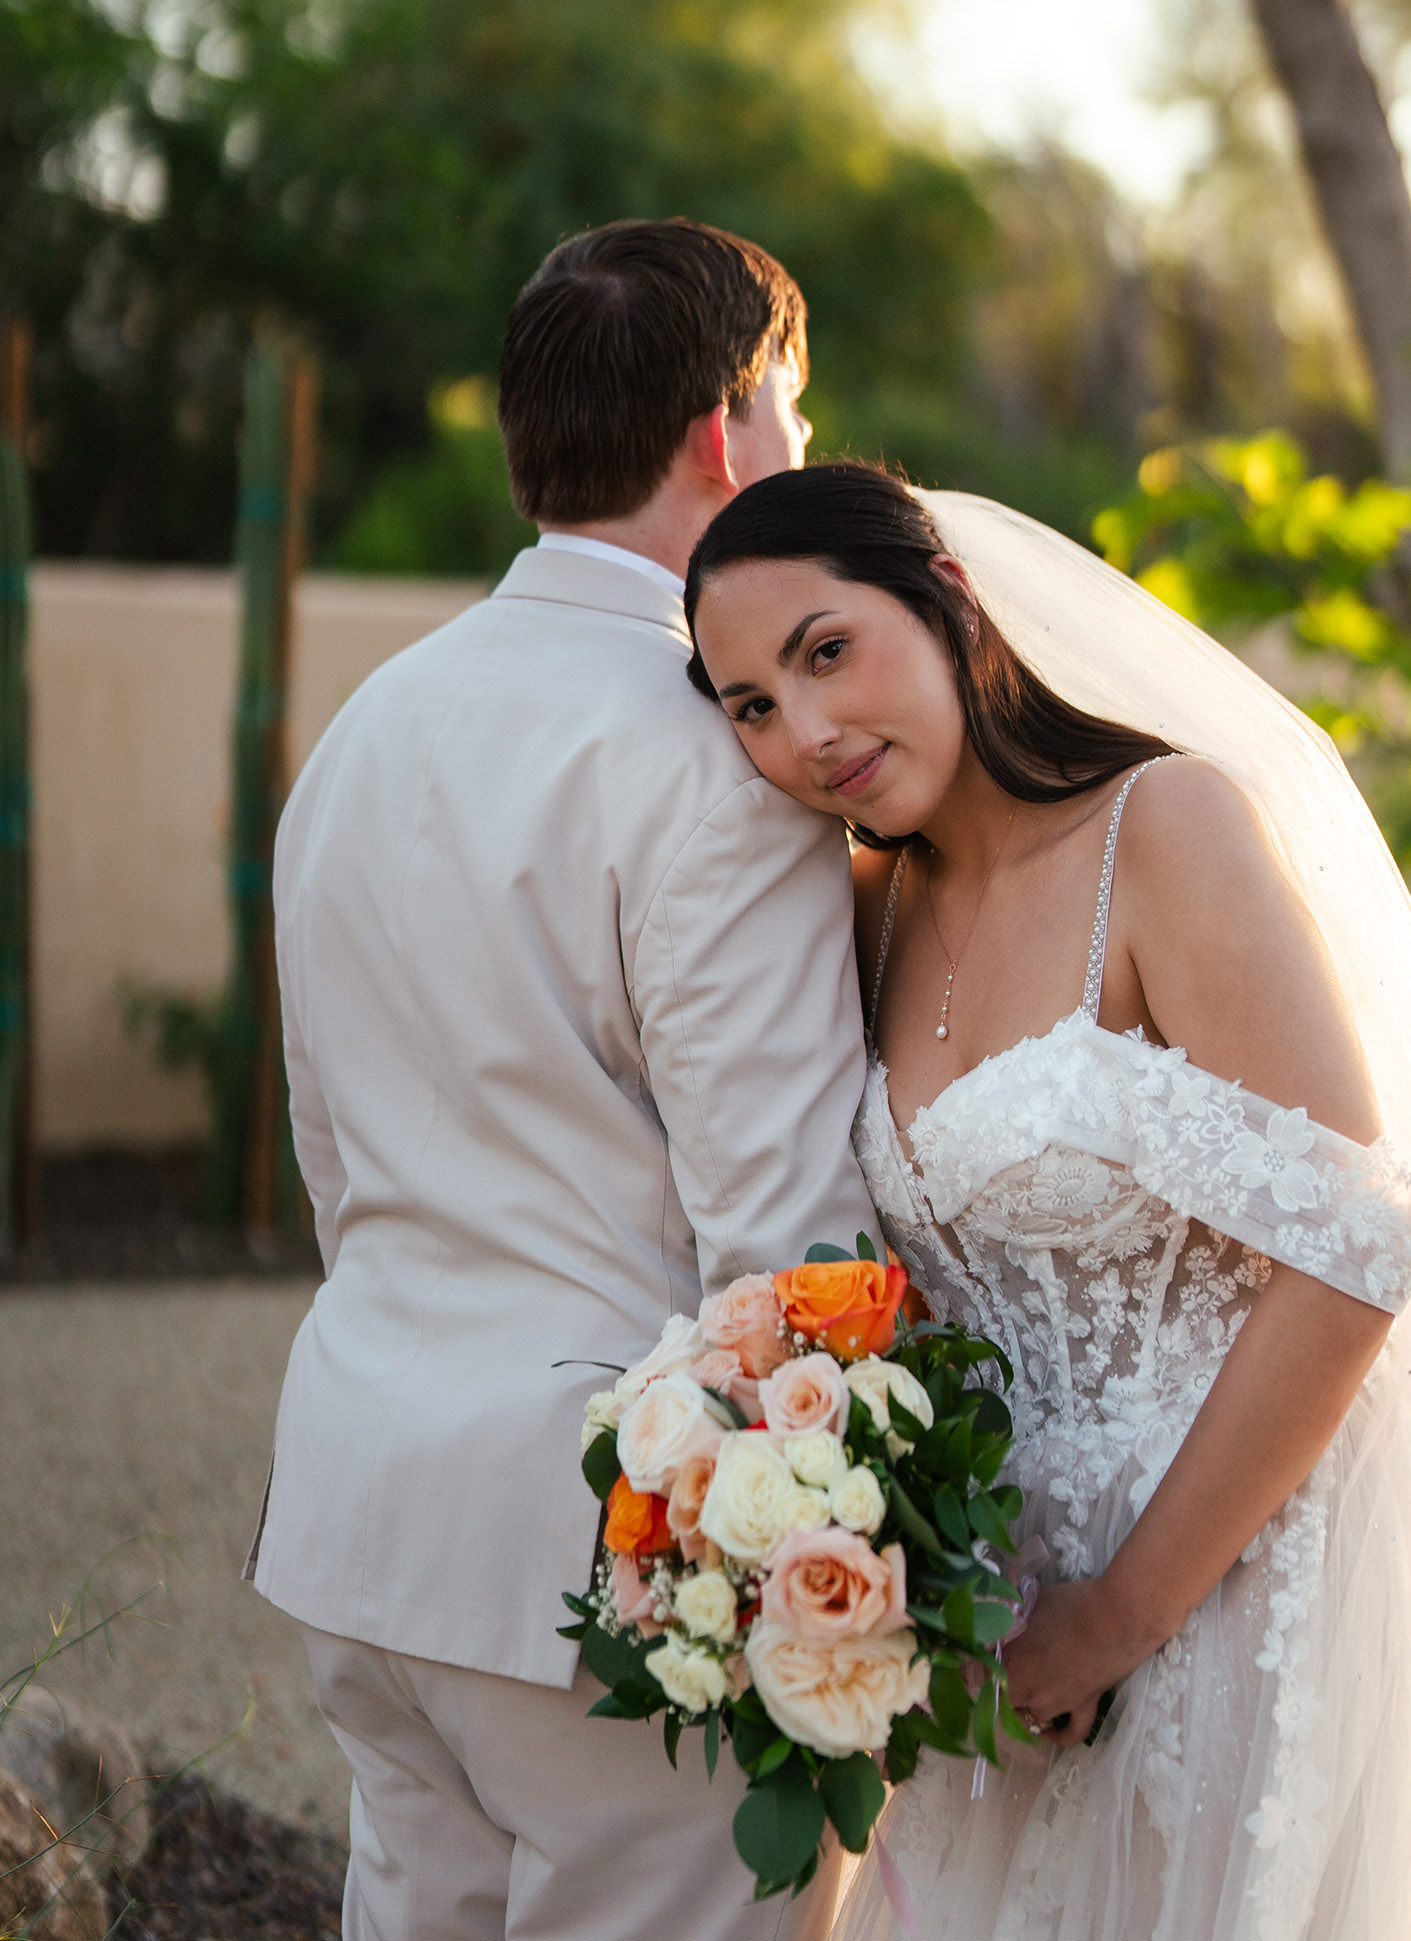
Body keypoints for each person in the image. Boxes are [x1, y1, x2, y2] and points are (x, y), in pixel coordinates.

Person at [684, 463, 1411, 1941]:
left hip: (1227, 1591)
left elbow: (1358, 1239)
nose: (805, 732)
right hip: (1007, 1638)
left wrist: (1124, 1612)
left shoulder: (1164, 828)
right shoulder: (867, 910)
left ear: (946, 600)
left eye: (826, 651)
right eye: (750, 705)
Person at [248, 222, 878, 1941]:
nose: (806, 453)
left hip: (362, 1514)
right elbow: (789, 1235)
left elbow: (332, 1156)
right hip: (614, 1563)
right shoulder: (723, 757)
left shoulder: (365, 725)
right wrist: (832, 1572)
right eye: (798, 413)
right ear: (725, 433)